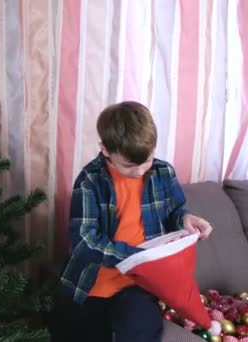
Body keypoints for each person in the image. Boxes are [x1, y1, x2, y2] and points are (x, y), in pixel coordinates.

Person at [49, 101, 213, 342]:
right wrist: (132, 256)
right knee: (72, 329)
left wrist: (185, 218)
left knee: (141, 330)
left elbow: (175, 212)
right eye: (129, 165)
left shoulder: (163, 172)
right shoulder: (90, 180)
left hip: (140, 283)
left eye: (146, 161)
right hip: (93, 281)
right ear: (105, 150)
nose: (139, 171)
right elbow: (84, 240)